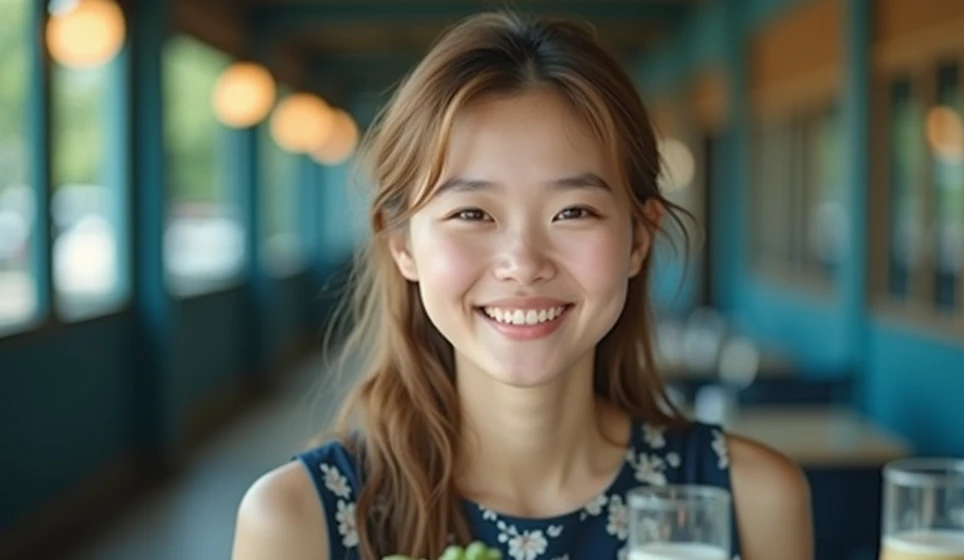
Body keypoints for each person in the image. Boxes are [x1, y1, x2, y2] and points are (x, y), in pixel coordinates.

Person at [231, 11, 812, 560]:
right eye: (472, 214)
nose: (524, 263)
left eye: (573, 211)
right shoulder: (298, 522)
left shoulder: (752, 500)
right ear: (402, 244)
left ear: (639, 238)